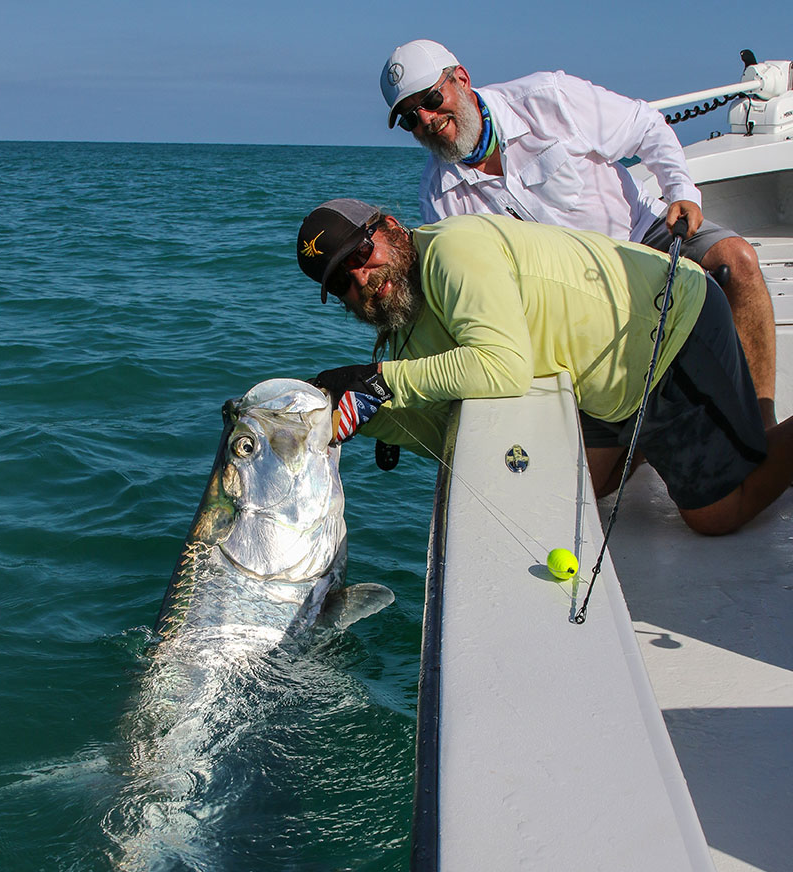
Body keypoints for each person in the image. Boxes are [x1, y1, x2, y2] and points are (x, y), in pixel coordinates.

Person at [296, 198, 793, 537]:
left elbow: (504, 367)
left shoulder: (452, 251)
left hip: (664, 332)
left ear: (390, 229)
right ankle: (643, 443)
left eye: (362, 253)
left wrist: (380, 381)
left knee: (715, 516)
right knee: (573, 494)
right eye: (342, 280)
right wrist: (375, 413)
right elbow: (448, 425)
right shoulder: (405, 328)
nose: (362, 277)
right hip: (596, 379)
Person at [379, 39, 777, 428]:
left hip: (641, 236)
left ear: (462, 80)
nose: (427, 120)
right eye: (411, 118)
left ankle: (762, 422)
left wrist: (681, 193)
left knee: (736, 261)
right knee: (599, 483)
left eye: (431, 100)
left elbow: (646, 127)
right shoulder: (438, 198)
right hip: (571, 302)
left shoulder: (547, 97)